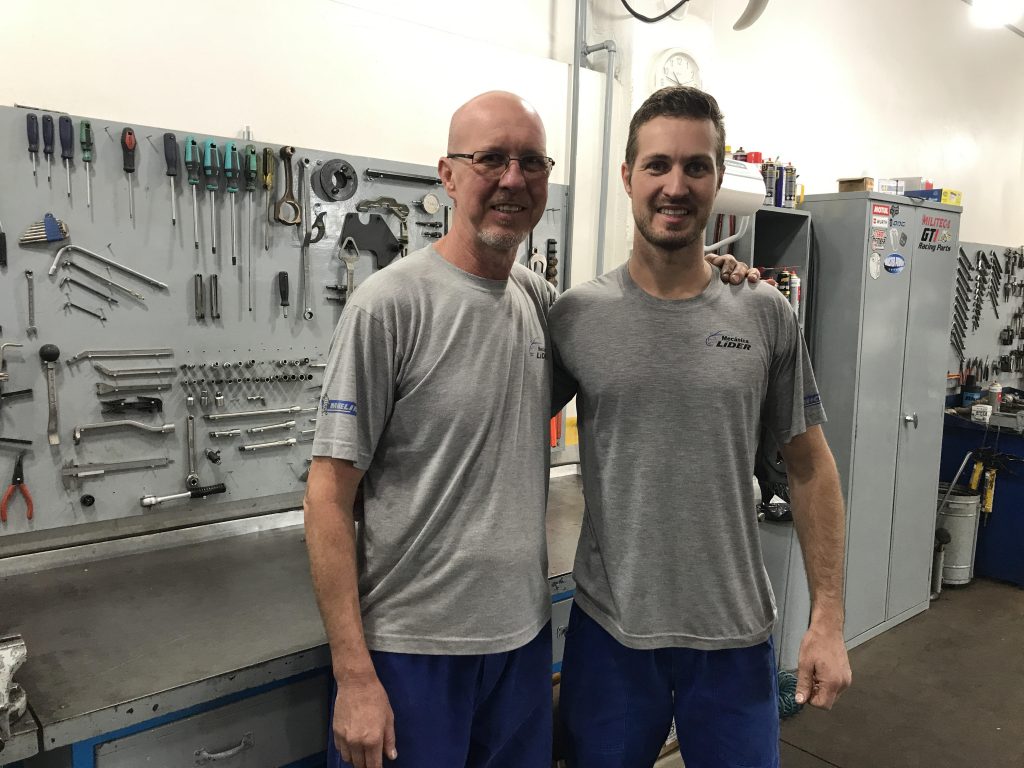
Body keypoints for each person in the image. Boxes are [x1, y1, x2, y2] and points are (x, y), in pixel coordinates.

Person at [304, 90, 756, 768]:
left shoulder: (545, 306)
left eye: (531, 162)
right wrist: (354, 674)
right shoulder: (388, 306)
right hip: (412, 651)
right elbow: (327, 497)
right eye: (490, 159)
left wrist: (716, 277)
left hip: (521, 648)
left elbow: (636, 332)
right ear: (448, 175)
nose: (513, 179)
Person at [549, 86, 852, 768]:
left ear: (718, 182)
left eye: (696, 167)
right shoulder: (576, 316)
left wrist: (828, 617)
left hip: (733, 637)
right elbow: (497, 428)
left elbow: (809, 466)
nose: (675, 185)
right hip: (612, 634)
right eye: (657, 165)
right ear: (627, 176)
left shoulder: (764, 312)